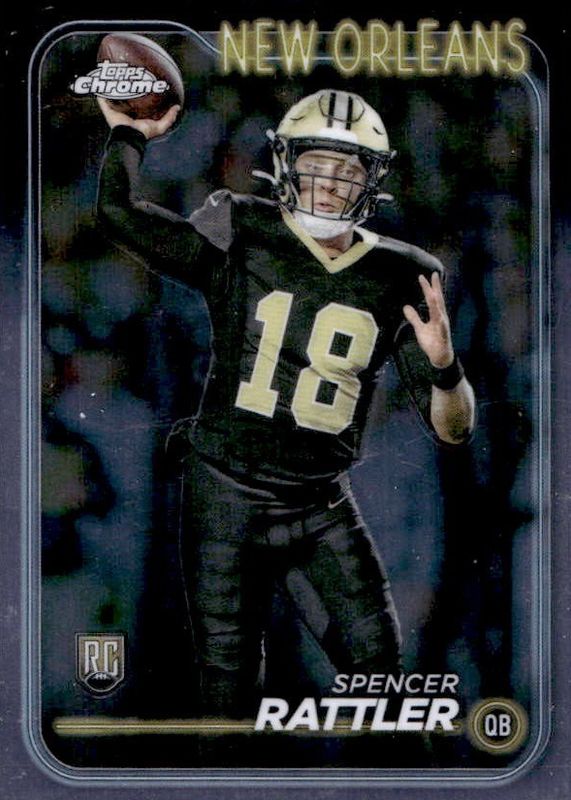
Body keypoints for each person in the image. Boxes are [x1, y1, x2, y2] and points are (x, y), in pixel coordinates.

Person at [96, 89, 475, 722]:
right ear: (285, 165)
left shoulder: (402, 273)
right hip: (224, 495)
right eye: (315, 165)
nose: (329, 184)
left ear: (372, 180)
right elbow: (118, 214)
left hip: (319, 504)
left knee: (383, 682)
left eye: (347, 169)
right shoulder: (241, 228)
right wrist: (130, 133)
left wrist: (444, 366)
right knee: (228, 689)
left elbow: (454, 430)